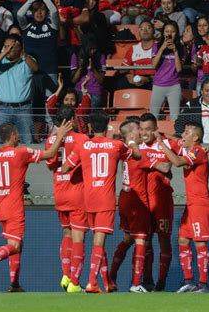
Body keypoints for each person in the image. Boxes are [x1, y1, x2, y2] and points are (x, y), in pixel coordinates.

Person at [0, 120, 73, 292]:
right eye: (17, 134)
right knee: (14, 245)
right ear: (13, 135)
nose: (19, 137)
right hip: (14, 207)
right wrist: (60, 136)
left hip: (0, 207)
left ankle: (14, 284)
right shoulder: (20, 153)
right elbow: (50, 154)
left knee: (17, 244)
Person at [61, 111, 141, 293]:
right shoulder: (116, 145)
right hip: (106, 199)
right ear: (107, 127)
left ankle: (105, 282)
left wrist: (84, 163)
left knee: (98, 240)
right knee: (99, 240)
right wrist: (130, 141)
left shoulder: (83, 146)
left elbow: (65, 168)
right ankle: (92, 282)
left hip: (88, 198)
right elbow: (136, 155)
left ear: (90, 127)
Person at [110, 118, 171, 293]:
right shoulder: (138, 153)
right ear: (131, 134)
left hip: (124, 197)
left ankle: (112, 274)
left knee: (128, 239)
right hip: (138, 201)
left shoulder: (124, 150)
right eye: (139, 129)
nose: (142, 132)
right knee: (141, 240)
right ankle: (136, 283)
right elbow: (166, 168)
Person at [155, 122, 209, 293]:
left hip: (201, 204)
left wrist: (160, 144)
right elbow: (175, 141)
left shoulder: (198, 151)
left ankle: (203, 285)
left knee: (199, 242)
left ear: (195, 137)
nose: (183, 134)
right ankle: (189, 281)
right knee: (183, 240)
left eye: (186, 132)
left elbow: (178, 162)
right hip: (192, 204)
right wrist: (163, 136)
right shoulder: (191, 150)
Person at [45, 105, 90, 293]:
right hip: (77, 192)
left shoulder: (51, 140)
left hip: (60, 193)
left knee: (67, 235)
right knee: (79, 237)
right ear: (72, 118)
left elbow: (49, 165)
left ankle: (65, 274)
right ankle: (74, 282)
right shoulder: (82, 139)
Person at [139, 112, 181, 291]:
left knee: (164, 241)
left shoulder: (166, 144)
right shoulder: (136, 146)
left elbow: (188, 144)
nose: (144, 133)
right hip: (143, 203)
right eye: (141, 129)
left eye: (148, 129)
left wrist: (165, 137)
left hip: (163, 202)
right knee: (145, 242)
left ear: (155, 129)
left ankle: (161, 282)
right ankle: (147, 280)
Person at [0, 34, 39, 144]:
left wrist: (23, 54)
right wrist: (5, 52)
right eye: (6, 46)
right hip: (2, 108)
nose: (8, 49)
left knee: (28, 141)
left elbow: (35, 68)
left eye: (11, 47)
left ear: (19, 47)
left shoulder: (27, 61)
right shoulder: (0, 60)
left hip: (23, 108)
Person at [18, 0, 59, 129]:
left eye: (42, 10)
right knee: (31, 104)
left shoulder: (52, 26)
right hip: (30, 72)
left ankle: (52, 133)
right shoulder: (27, 26)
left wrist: (46, 0)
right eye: (36, 10)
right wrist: (31, 0)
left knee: (49, 105)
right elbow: (19, 14)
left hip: (49, 71)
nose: (39, 13)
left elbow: (54, 11)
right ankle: (32, 133)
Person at [149, 21, 183, 121]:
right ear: (163, 33)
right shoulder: (156, 46)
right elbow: (153, 65)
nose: (169, 34)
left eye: (172, 31)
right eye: (167, 31)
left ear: (176, 33)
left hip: (174, 86)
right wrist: (162, 48)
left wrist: (175, 51)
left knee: (175, 117)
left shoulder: (181, 48)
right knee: (153, 116)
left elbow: (179, 69)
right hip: (158, 85)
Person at [117, 20, 155, 90]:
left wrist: (148, 79)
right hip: (137, 77)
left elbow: (165, 70)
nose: (145, 30)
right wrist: (129, 76)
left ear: (154, 31)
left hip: (153, 78)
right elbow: (123, 69)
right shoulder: (133, 48)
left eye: (148, 28)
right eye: (142, 28)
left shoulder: (159, 47)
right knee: (121, 83)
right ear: (139, 32)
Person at [71, 35, 105, 109]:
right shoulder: (76, 56)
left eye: (94, 49)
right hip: (79, 91)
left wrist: (93, 69)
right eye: (90, 49)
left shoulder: (101, 56)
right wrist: (80, 68)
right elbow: (73, 80)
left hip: (95, 93)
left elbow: (101, 81)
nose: (92, 52)